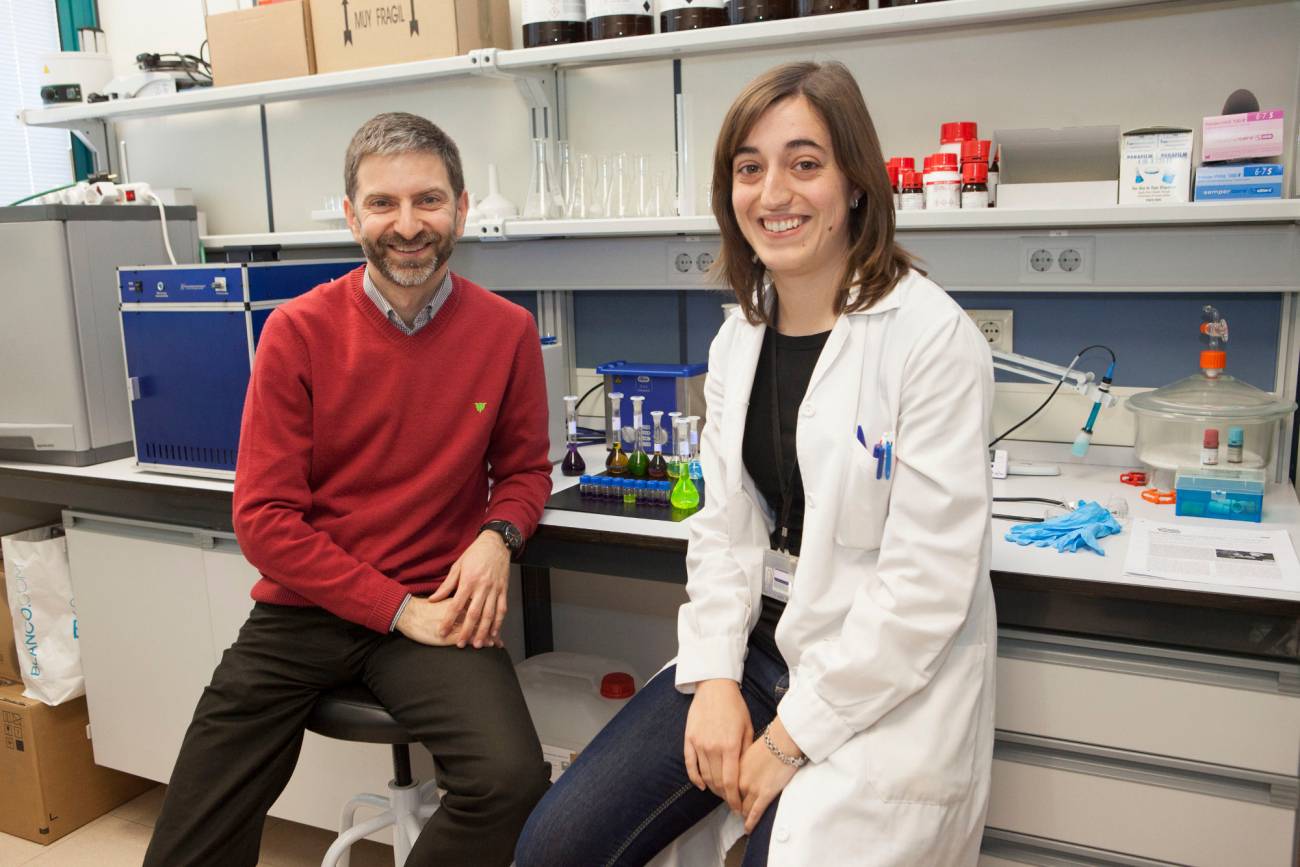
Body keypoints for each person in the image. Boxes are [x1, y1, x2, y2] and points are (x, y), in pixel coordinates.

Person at [515, 61, 996, 867]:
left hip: (879, 676)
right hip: (755, 646)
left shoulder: (931, 339)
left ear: (855, 186)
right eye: (749, 167)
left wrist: (787, 739)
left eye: (805, 163)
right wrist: (710, 678)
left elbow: (925, 586)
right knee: (554, 847)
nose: (773, 192)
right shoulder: (739, 336)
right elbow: (724, 528)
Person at [143, 112, 553, 867]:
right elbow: (263, 520)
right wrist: (389, 605)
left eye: (428, 200)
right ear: (351, 215)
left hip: (435, 605)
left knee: (510, 779)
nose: (407, 225)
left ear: (461, 209)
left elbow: (525, 471)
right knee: (192, 830)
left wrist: (501, 537)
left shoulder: (506, 332)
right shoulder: (297, 331)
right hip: (306, 609)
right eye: (383, 204)